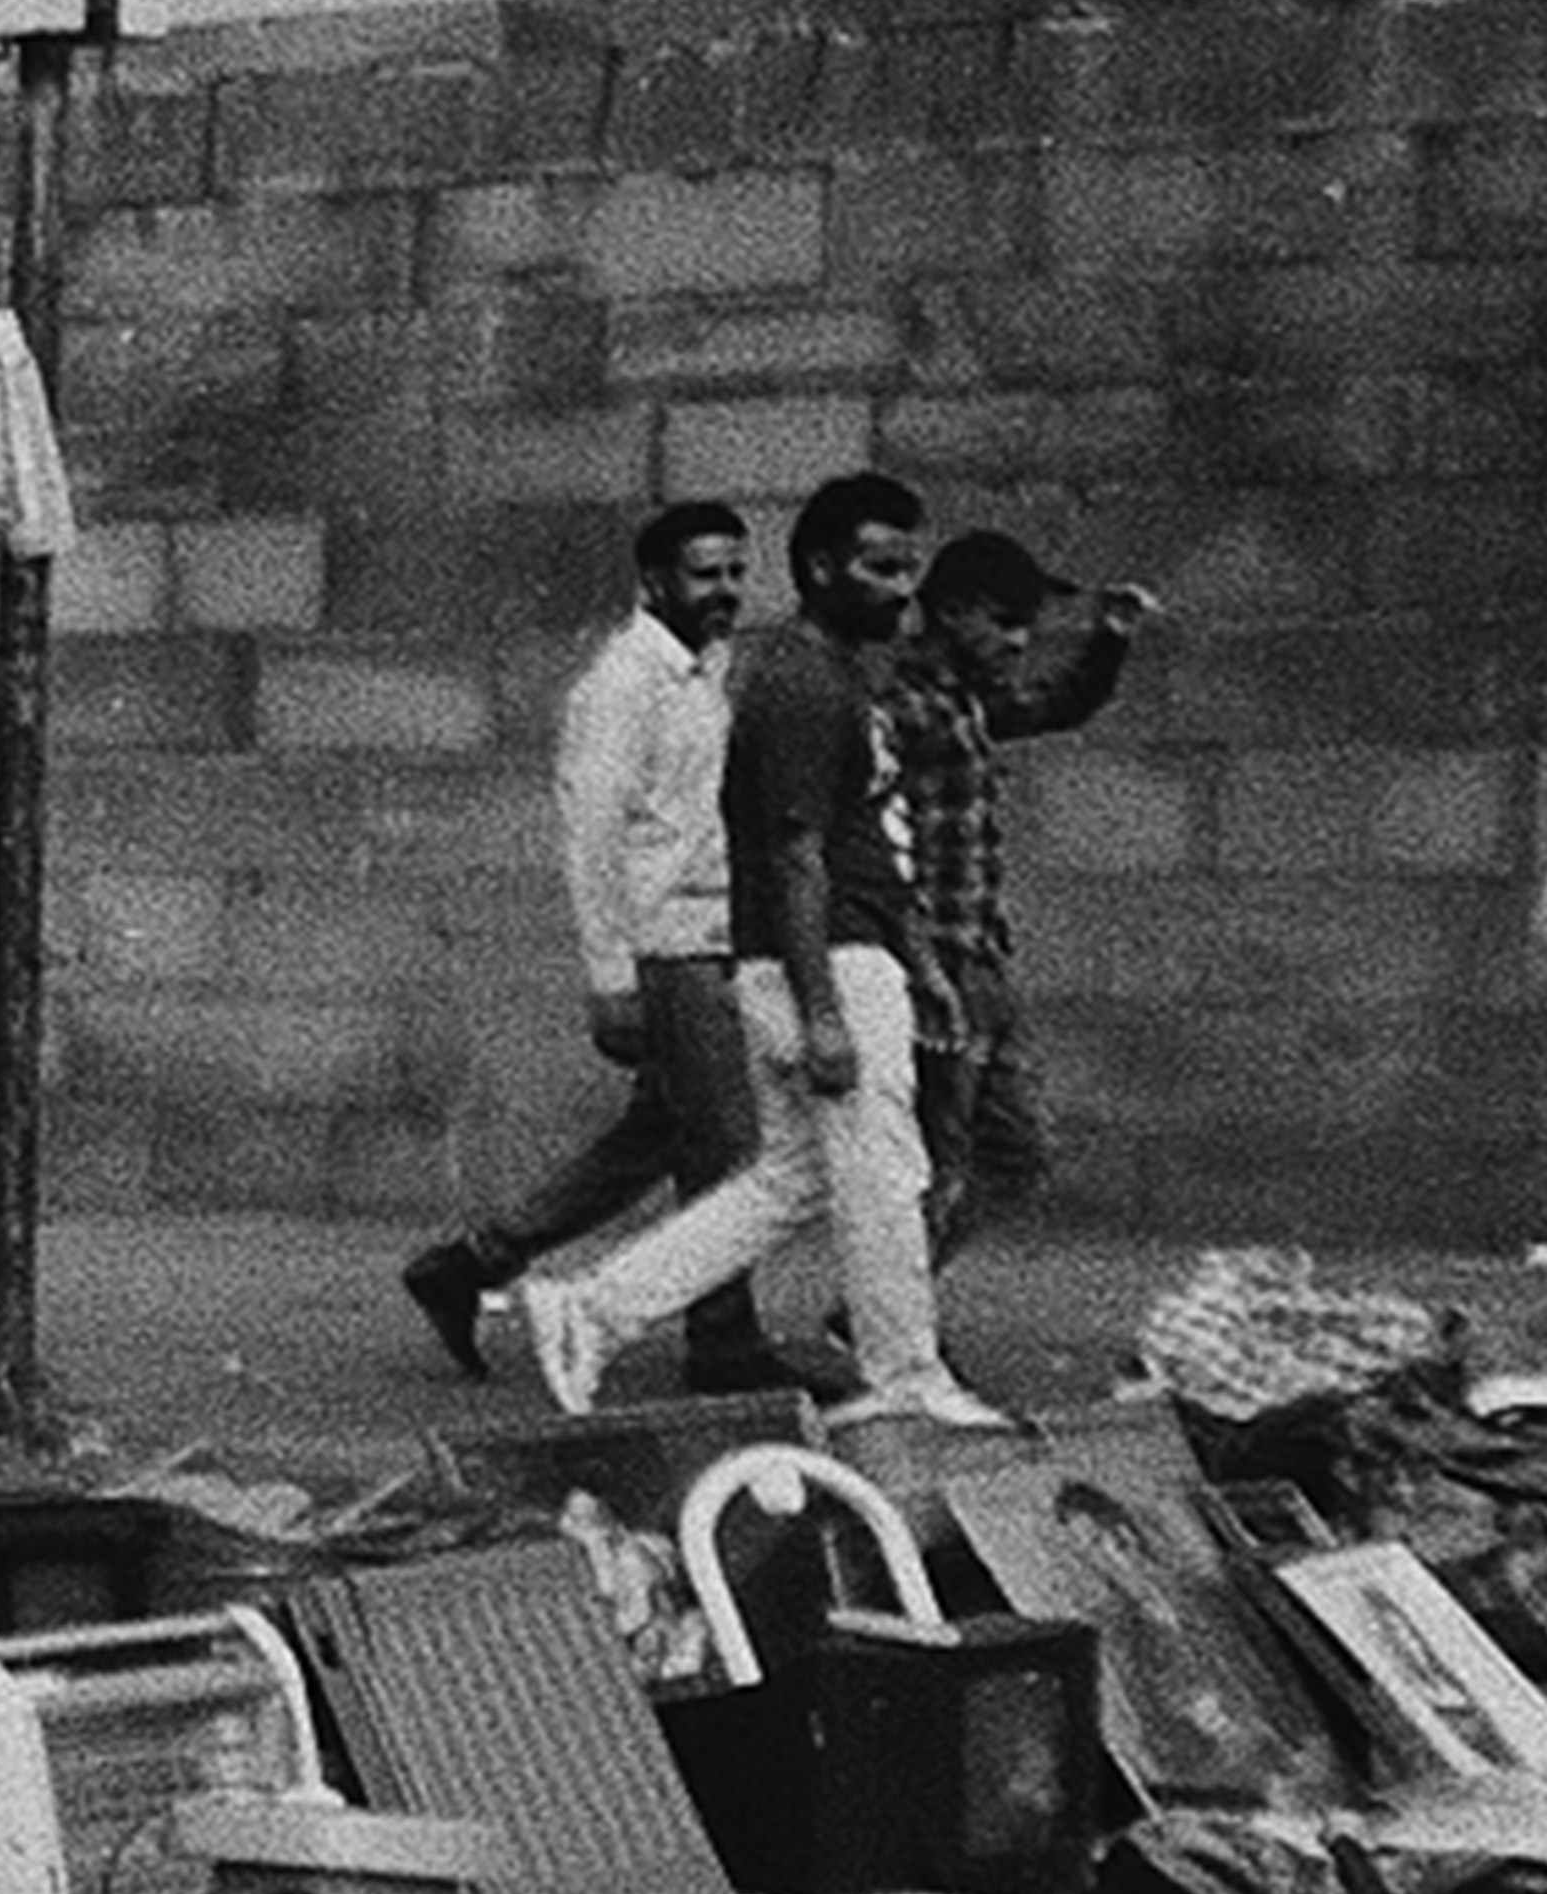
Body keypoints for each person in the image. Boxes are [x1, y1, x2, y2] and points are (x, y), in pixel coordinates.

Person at [520, 470, 1008, 1430]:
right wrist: (824, 1006)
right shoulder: (797, 687)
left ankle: (589, 1308)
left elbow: (868, 842)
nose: (901, 590)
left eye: (909, 568)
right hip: (818, 960)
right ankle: (906, 1374)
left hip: (836, 955)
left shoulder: (828, 678)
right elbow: (793, 855)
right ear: (821, 569)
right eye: (878, 567)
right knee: (881, 1173)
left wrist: (921, 968)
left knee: (791, 1180)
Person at [403, 500, 800, 1400]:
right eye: (706, 574)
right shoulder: (620, 683)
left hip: (718, 935)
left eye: (737, 572)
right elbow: (591, 838)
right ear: (654, 581)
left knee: (657, 1136)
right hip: (668, 948)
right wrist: (611, 978)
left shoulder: (709, 670)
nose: (726, 591)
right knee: (731, 1152)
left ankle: (470, 1263)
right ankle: (723, 1342)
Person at [885, 526, 1147, 1254]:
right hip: (930, 965)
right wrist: (918, 965)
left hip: (981, 961)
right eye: (1003, 621)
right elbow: (870, 848)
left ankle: (874, 1312)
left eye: (1026, 623)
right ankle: (889, 1326)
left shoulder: (968, 700)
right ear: (950, 613)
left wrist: (1111, 637)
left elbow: (1055, 704)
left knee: (1015, 1154)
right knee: (936, 1162)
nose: (1020, 640)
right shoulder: (902, 705)